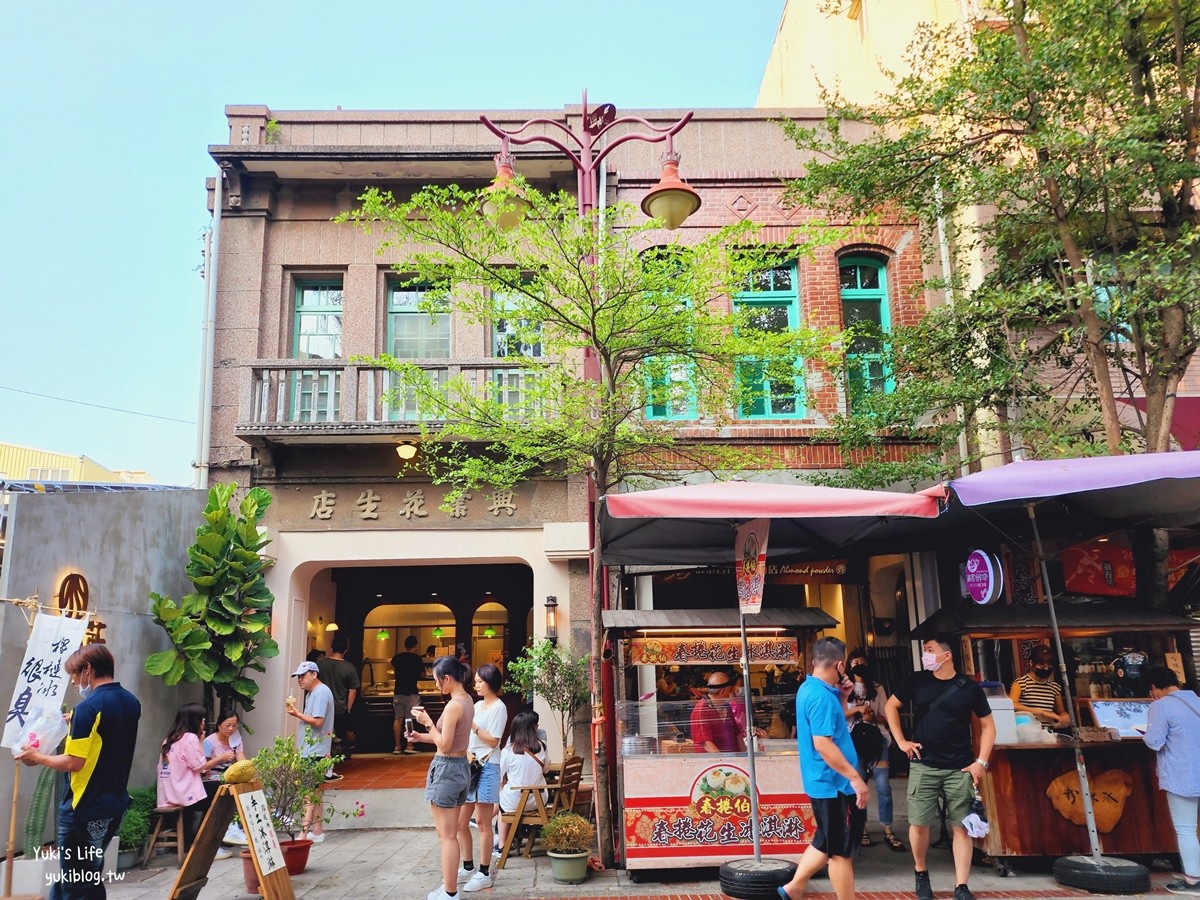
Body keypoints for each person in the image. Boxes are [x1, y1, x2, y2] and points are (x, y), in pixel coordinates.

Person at [16, 644, 141, 900]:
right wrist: (74, 722)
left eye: (74, 675)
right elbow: (108, 736)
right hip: (113, 805)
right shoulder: (130, 701)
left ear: (88, 670)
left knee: (79, 885)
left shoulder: (88, 708)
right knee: (80, 877)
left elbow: (75, 762)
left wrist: (37, 757)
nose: (74, 682)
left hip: (83, 809)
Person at [885, 637, 996, 900]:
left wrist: (980, 763)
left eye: (930, 650)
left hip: (960, 767)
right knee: (920, 823)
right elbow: (891, 706)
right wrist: (900, 741)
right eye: (925, 651)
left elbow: (989, 727)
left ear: (946, 656)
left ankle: (961, 885)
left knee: (961, 827)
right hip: (924, 764)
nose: (925, 655)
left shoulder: (969, 688)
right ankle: (921, 873)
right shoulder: (916, 680)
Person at [778, 637, 868, 900]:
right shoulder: (820, 697)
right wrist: (855, 778)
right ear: (840, 664)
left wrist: (843, 697)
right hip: (834, 783)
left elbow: (834, 727)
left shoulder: (811, 689)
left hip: (826, 782)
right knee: (840, 852)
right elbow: (824, 745)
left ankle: (793, 888)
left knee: (826, 841)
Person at [411, 655, 475, 900]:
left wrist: (427, 723)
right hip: (460, 768)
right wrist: (421, 736)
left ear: (447, 678)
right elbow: (452, 740)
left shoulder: (453, 705)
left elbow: (445, 745)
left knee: (447, 836)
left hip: (447, 769)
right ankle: (449, 887)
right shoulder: (467, 700)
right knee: (451, 833)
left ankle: (450, 893)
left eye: (437, 681)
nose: (437, 686)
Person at [1142, 666, 1200, 895]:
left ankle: (1194, 881)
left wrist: (1145, 735)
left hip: (1182, 774)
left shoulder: (1160, 706)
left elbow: (1155, 741)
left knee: (1186, 829)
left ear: (1153, 688)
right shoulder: (1196, 700)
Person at [846, 649, 904, 852]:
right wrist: (858, 710)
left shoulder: (877, 687)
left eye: (863, 662)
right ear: (849, 665)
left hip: (877, 741)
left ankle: (888, 829)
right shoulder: (844, 687)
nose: (859, 665)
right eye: (855, 662)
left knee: (883, 787)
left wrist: (873, 718)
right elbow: (838, 714)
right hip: (853, 743)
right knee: (858, 787)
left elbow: (886, 714)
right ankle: (860, 829)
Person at [158, 703, 233, 858]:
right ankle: (204, 842)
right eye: (202, 719)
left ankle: (196, 839)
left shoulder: (168, 740)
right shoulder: (190, 738)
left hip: (168, 795)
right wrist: (203, 743)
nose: (204, 723)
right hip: (184, 795)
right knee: (221, 794)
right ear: (195, 720)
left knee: (213, 790)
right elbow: (200, 766)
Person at [458, 663, 507, 892]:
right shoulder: (476, 705)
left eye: (480, 681)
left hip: (488, 765)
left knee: (482, 822)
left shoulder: (499, 707)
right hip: (471, 764)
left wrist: (474, 726)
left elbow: (493, 741)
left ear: (490, 682)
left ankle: (484, 872)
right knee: (460, 821)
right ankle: (467, 866)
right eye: (475, 681)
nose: (476, 684)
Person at [286, 660, 337, 844]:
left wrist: (297, 714)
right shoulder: (312, 693)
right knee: (315, 791)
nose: (300, 680)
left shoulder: (321, 692)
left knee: (308, 791)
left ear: (314, 675)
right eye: (298, 677)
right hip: (314, 749)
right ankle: (317, 830)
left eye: (303, 676)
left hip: (314, 750)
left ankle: (304, 833)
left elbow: (318, 721)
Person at [496, 710, 548, 854]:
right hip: (538, 801)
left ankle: (502, 844)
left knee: (501, 806)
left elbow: (499, 776)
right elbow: (546, 770)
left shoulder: (508, 750)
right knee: (505, 798)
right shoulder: (541, 746)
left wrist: (503, 784)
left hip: (515, 802)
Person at [203, 707, 248, 845]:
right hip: (212, 778)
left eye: (234, 725)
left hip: (231, 776)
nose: (231, 729)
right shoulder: (209, 742)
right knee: (229, 790)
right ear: (219, 725)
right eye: (227, 725)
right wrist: (221, 758)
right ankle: (231, 827)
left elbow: (241, 760)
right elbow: (203, 767)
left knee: (248, 785)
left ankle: (243, 828)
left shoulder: (236, 739)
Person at [317, 633, 360, 760]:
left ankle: (323, 758)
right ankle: (336, 759)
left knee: (322, 734)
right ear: (345, 651)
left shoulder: (320, 664)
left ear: (331, 648)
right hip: (340, 707)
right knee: (339, 737)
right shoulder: (349, 667)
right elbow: (353, 691)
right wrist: (348, 708)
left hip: (321, 706)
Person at [1008, 644, 1068, 727]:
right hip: (1026, 733)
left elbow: (1061, 711)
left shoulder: (1054, 687)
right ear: (1031, 663)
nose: (1046, 669)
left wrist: (1064, 717)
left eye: (1049, 667)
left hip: (1047, 733)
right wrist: (1041, 712)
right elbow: (1012, 705)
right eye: (1042, 667)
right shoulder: (1020, 683)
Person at [691, 669, 744, 752]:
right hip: (714, 762)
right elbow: (706, 744)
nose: (733, 693)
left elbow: (736, 735)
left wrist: (744, 756)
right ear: (723, 692)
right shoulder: (701, 709)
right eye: (730, 690)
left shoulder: (727, 707)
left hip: (733, 760)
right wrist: (723, 762)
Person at [393, 635, 426, 755]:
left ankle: (397, 746)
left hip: (398, 692)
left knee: (398, 719)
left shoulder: (397, 658)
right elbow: (423, 675)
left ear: (405, 645)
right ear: (416, 646)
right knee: (409, 719)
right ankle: (409, 745)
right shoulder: (417, 659)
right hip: (411, 692)